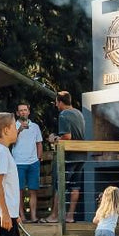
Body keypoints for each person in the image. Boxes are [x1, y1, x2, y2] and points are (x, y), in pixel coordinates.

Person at [47, 91, 87, 221]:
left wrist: (54, 138)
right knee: (75, 186)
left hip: (69, 156)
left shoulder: (64, 115)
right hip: (82, 155)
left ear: (60, 102)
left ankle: (54, 216)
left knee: (61, 185)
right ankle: (70, 216)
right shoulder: (79, 113)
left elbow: (67, 137)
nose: (56, 105)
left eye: (56, 103)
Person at [11, 102, 46, 221]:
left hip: (33, 162)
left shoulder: (35, 126)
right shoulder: (13, 126)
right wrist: (19, 130)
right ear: (17, 113)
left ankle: (33, 216)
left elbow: (39, 143)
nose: (23, 112)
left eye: (25, 110)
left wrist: (38, 158)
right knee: (19, 191)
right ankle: (22, 216)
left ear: (29, 112)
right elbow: (11, 142)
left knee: (33, 190)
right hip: (18, 163)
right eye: (20, 110)